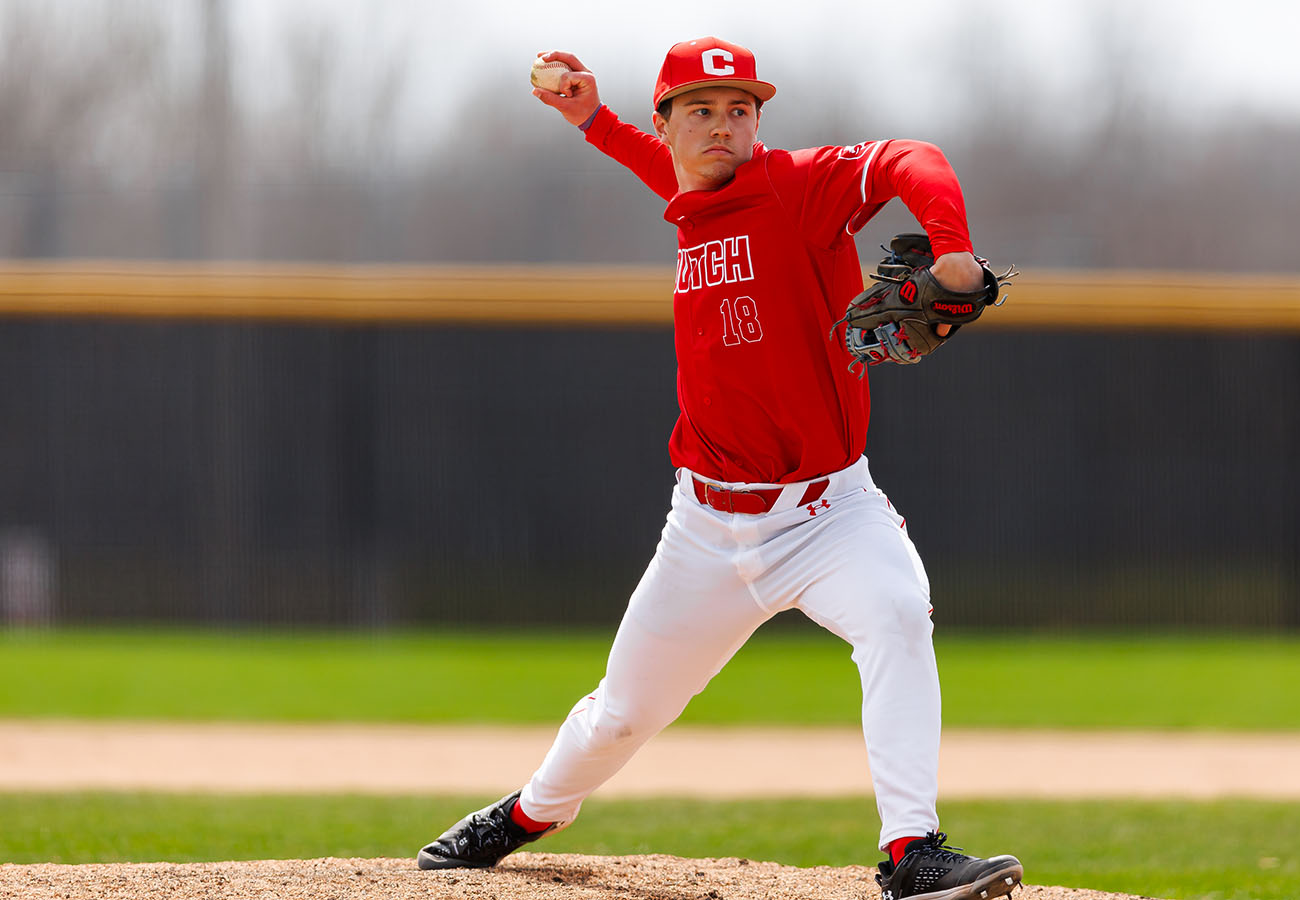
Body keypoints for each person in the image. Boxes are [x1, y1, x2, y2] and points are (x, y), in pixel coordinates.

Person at [417, 36, 1023, 900]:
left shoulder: (795, 189)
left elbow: (908, 158)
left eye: (740, 109)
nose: (723, 125)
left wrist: (951, 244)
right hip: (704, 526)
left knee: (895, 615)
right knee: (619, 715)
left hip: (827, 516)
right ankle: (531, 813)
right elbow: (647, 160)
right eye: (700, 110)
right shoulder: (689, 192)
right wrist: (589, 117)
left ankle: (910, 851)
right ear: (669, 123)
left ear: (757, 124)